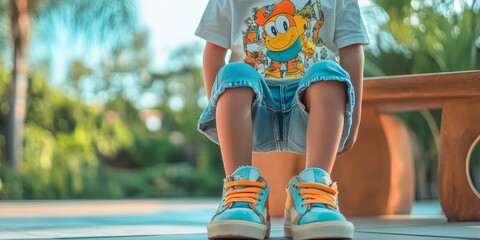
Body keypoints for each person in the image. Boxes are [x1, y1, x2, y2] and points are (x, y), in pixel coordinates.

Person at [195, 0, 369, 239]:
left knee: (329, 71)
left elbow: (351, 50)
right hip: (255, 107)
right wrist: (222, 113)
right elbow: (214, 52)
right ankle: (241, 191)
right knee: (233, 72)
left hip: (310, 109)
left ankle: (314, 192)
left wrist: (353, 120)